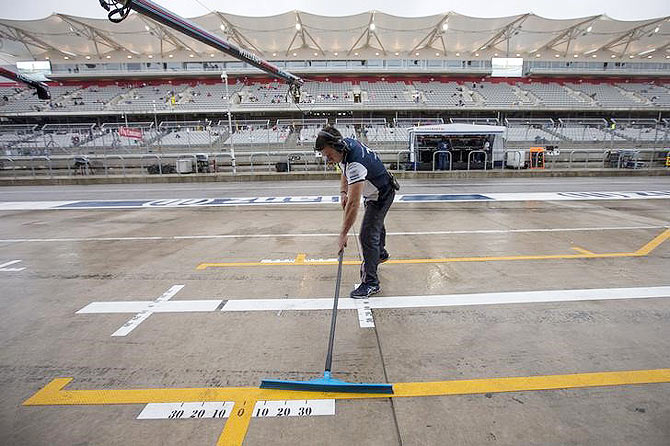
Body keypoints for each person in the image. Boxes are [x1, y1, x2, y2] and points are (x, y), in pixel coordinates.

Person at [315, 125, 398, 299]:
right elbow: (343, 168)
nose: (328, 160)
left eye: (329, 155)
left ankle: (371, 283)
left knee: (367, 234)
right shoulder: (346, 147)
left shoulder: (355, 163)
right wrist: (343, 191)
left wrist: (343, 233)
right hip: (374, 190)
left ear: (337, 147)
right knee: (375, 224)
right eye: (325, 156)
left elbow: (353, 204)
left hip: (381, 194)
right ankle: (380, 253)